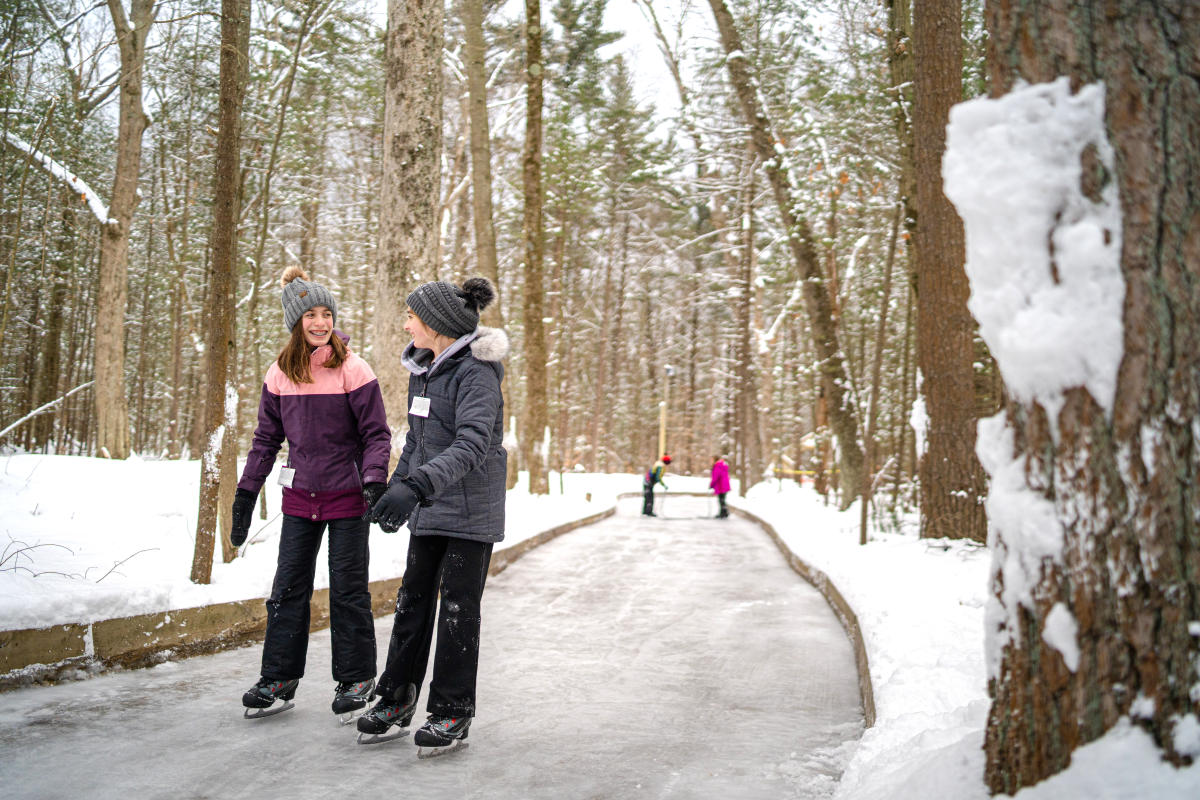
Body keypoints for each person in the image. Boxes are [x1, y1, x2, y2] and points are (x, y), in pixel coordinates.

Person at [231, 266, 391, 721]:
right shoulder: (280, 372)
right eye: (310, 316)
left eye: (326, 313)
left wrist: (375, 479)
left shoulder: (353, 368)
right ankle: (279, 677)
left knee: (347, 589)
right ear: (295, 322)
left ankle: (357, 677)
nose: (320, 322)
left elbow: (377, 434)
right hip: (300, 498)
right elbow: (266, 440)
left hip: (346, 496)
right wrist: (246, 494)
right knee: (287, 588)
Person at [356, 277, 508, 757]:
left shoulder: (476, 374)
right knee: (412, 603)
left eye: (412, 317)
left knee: (459, 612)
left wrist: (416, 487)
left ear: (437, 325)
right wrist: (393, 486)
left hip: (469, 511)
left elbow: (472, 444)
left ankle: (452, 710)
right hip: (431, 506)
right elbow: (418, 445)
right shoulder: (423, 370)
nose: (405, 324)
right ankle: (396, 697)